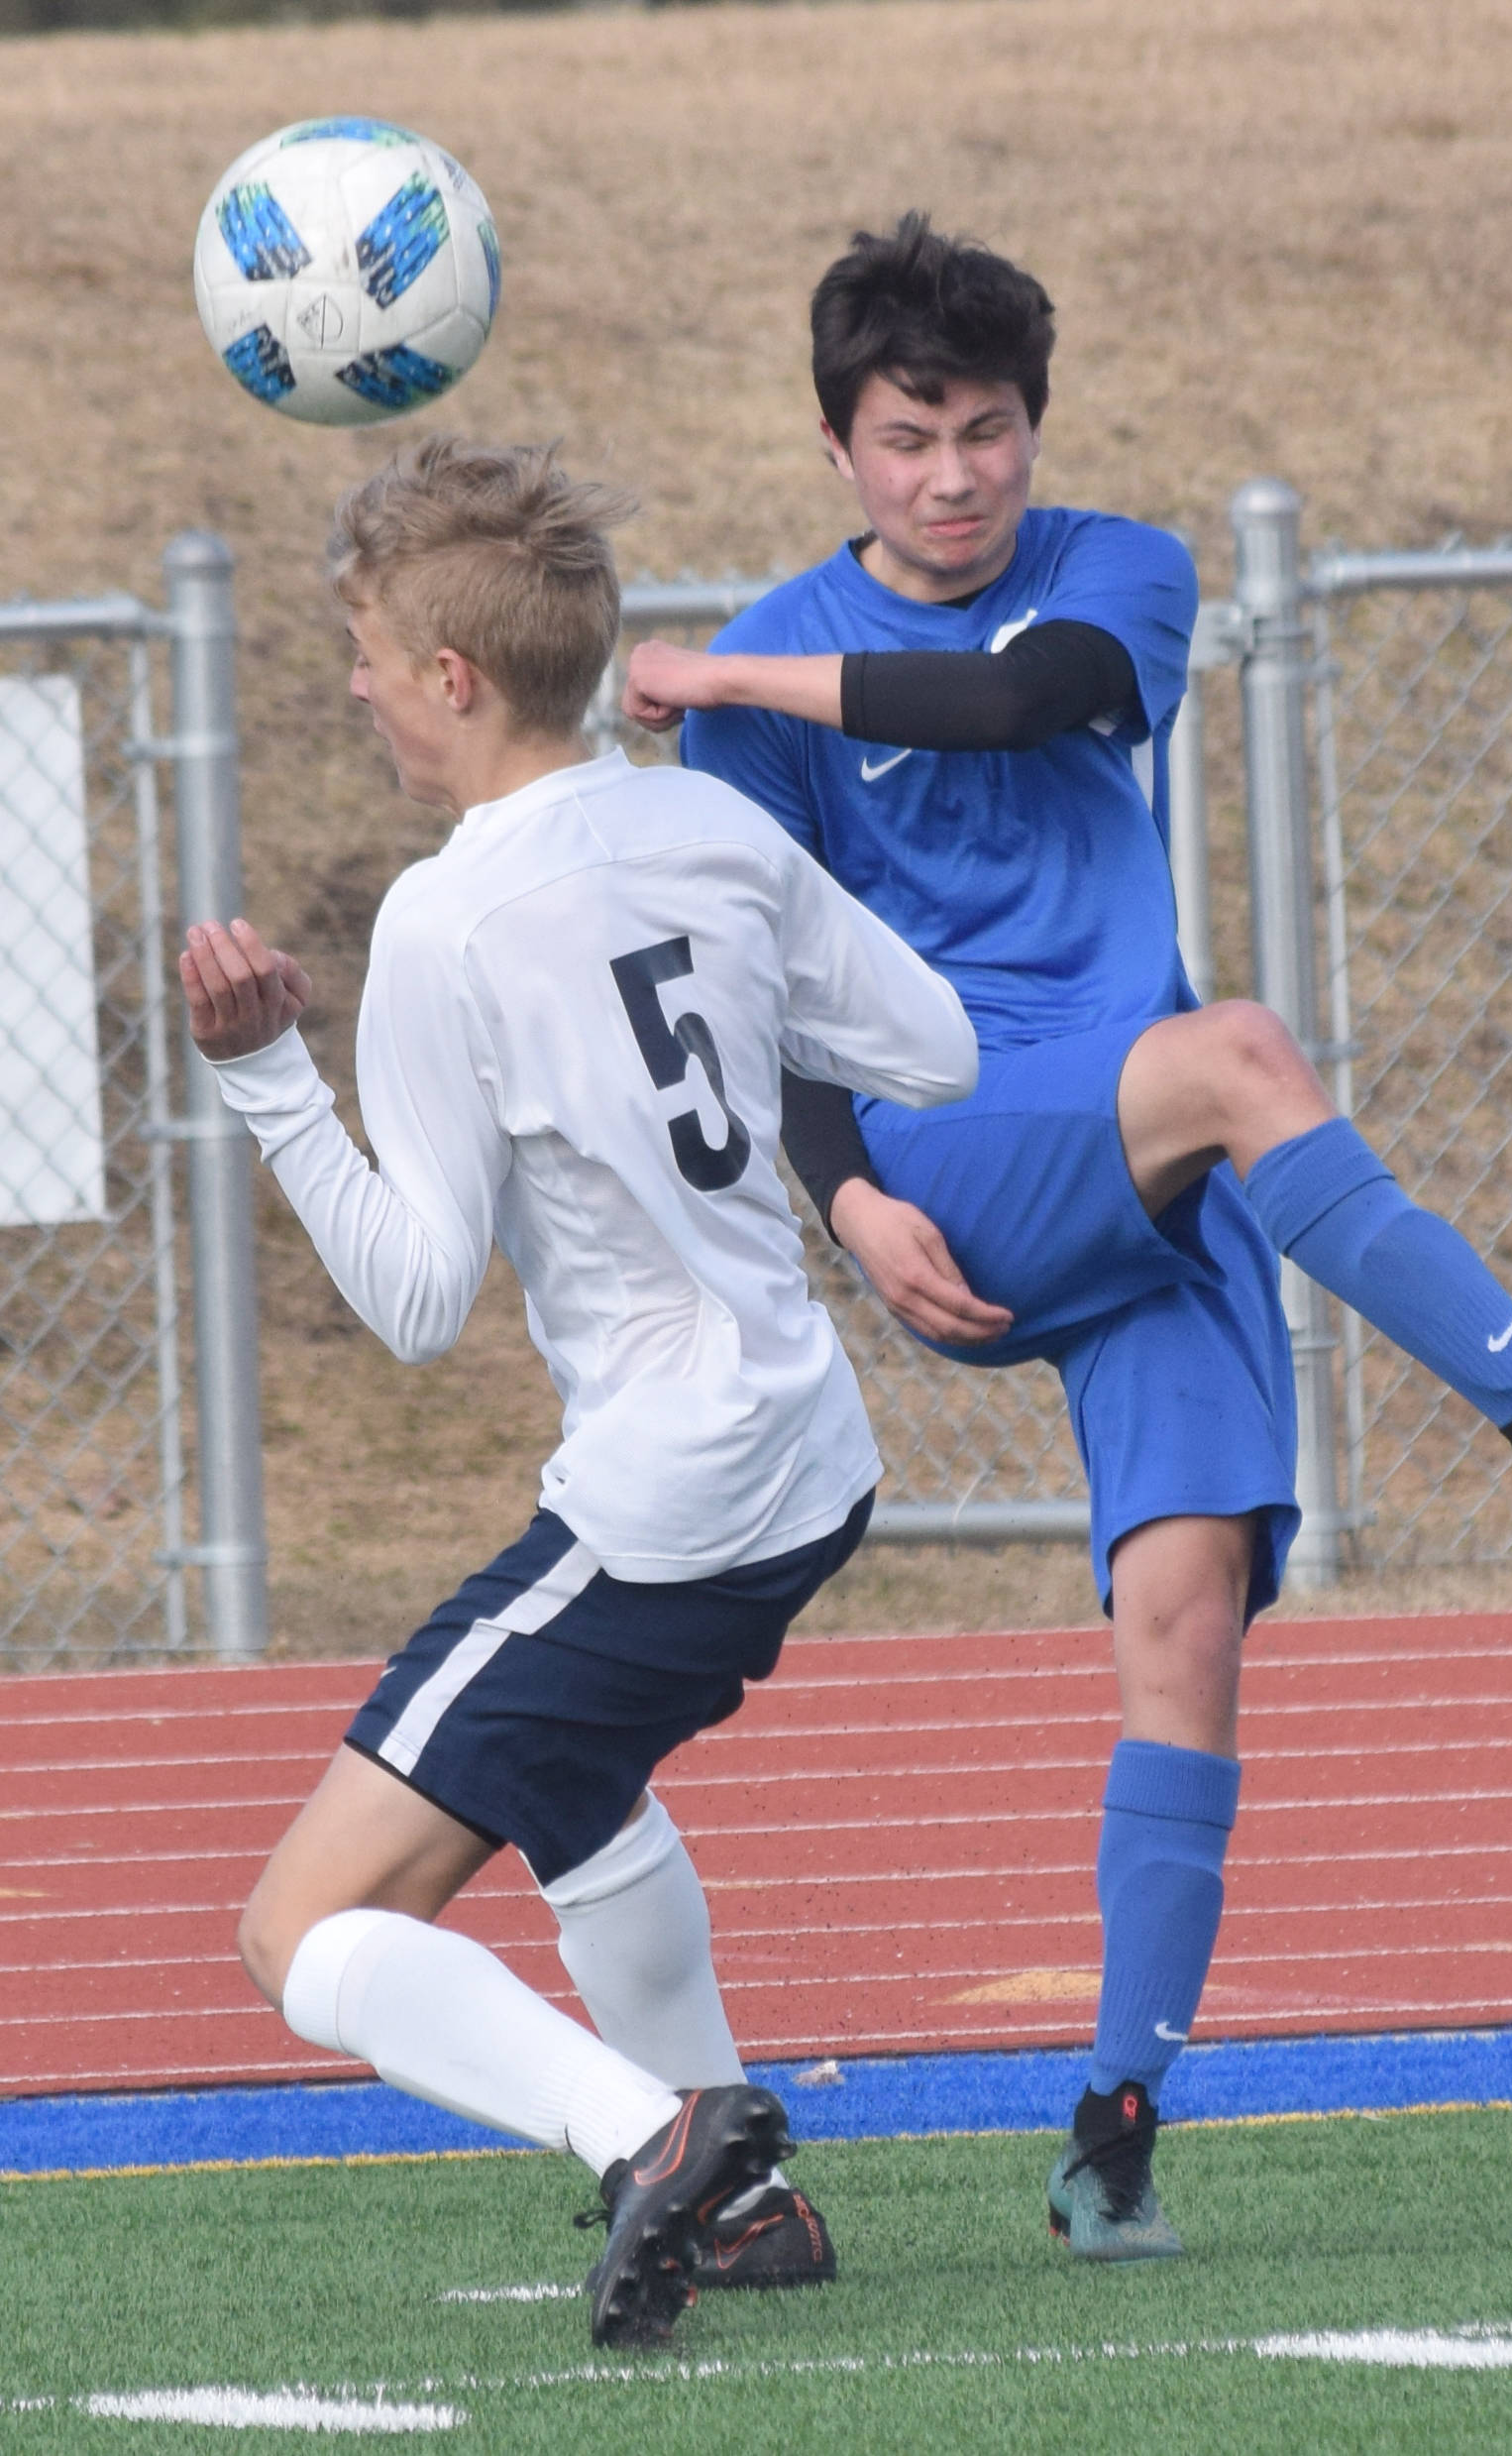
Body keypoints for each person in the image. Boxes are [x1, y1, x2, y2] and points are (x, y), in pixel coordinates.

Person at [621, 213, 1512, 2262]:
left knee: (1189, 1630)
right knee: (1240, 1050)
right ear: (835, 447)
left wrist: (712, 663)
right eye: (908, 438)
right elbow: (762, 985)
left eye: (988, 432)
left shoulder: (1116, 573)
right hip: (969, 1157)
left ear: (1034, 430)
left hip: (1153, 1177)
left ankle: (1119, 2111)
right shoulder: (763, 684)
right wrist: (851, 1198)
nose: (955, 477)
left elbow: (1020, 696)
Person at [179, 437, 978, 2346]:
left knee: (296, 1933)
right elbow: (931, 1047)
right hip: (808, 1456)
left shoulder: (448, 924)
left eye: (367, 650)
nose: (357, 683)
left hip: (667, 1497)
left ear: (453, 678)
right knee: (572, 1779)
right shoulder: (711, 828)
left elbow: (410, 1298)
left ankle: (656, 2133)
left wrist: (267, 1078)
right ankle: (756, 2208)